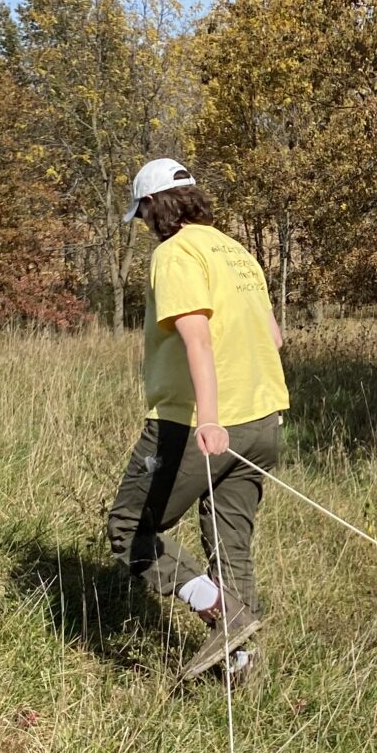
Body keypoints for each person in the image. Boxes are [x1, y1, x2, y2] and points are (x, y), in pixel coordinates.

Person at [106, 157, 288, 682]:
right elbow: (273, 338)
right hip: (264, 420)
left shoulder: (175, 253)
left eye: (140, 215)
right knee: (231, 546)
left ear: (151, 207)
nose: (143, 227)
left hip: (196, 426)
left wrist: (209, 419)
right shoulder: (237, 252)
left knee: (128, 528)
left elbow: (197, 338)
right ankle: (242, 671)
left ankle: (223, 613)